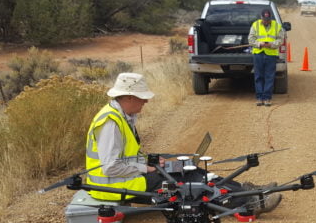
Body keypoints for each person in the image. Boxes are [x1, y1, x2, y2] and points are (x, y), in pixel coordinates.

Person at [85, 72, 281, 213]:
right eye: (142, 98)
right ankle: (250, 202)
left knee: (187, 167)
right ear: (128, 97)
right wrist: (148, 169)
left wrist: (151, 161)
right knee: (187, 183)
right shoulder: (110, 123)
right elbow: (110, 167)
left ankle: (244, 190)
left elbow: (126, 155)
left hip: (127, 176)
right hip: (116, 185)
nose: (145, 102)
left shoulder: (122, 115)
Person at [248, 8, 285, 106]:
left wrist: (271, 44)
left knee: (269, 77)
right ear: (261, 17)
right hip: (258, 54)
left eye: (268, 20)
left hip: (271, 55)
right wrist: (259, 44)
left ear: (271, 18)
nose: (266, 21)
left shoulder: (277, 26)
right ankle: (259, 98)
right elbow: (251, 39)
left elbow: (281, 40)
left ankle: (267, 98)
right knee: (259, 76)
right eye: (264, 19)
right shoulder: (255, 25)